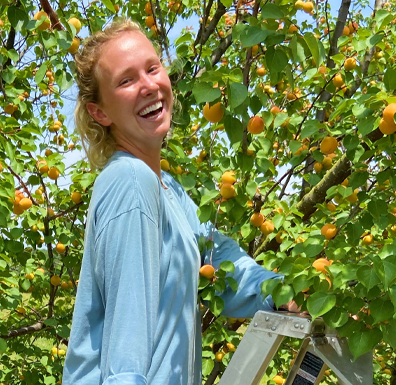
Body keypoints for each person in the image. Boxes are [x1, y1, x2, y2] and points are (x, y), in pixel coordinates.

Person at [63, 19, 294, 385]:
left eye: (152, 68)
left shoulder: (168, 188)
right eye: (126, 80)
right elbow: (126, 347)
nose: (149, 85)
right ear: (100, 113)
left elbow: (221, 266)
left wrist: (288, 292)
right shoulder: (131, 182)